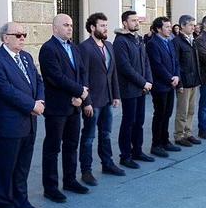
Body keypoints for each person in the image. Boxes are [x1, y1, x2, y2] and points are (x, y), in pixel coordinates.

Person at [0, 22, 45, 208]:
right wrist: (31, 105)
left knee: (22, 167)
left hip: (29, 122)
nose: (22, 38)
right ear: (5, 38)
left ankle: (21, 202)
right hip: (8, 124)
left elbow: (38, 81)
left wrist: (40, 101)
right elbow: (5, 90)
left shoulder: (26, 57)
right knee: (5, 169)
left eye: (24, 34)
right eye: (17, 34)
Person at [39, 14, 90, 203]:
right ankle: (50, 187)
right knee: (52, 148)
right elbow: (55, 77)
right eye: (66, 25)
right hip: (57, 107)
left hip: (74, 106)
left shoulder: (74, 48)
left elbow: (82, 72)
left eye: (71, 25)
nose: (70, 28)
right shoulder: (48, 49)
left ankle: (70, 180)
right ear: (55, 28)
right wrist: (78, 92)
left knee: (71, 145)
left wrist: (81, 95)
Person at [78, 13, 125, 187]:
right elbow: (83, 77)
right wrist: (86, 101)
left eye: (106, 25)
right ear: (92, 27)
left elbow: (112, 73)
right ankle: (86, 170)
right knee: (89, 136)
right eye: (102, 25)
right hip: (93, 101)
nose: (106, 28)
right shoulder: (84, 48)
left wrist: (116, 95)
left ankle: (108, 163)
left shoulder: (109, 46)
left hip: (107, 99)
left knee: (106, 134)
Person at [114, 11, 154, 169]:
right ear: (124, 23)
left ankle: (137, 150)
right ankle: (125, 155)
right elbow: (125, 67)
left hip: (142, 88)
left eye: (138, 20)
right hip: (129, 89)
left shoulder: (138, 39)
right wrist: (143, 82)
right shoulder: (120, 41)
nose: (137, 23)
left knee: (140, 121)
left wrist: (149, 80)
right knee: (128, 122)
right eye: (133, 20)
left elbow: (145, 61)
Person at [146, 16, 181, 157]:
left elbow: (176, 61)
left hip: (171, 84)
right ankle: (156, 144)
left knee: (167, 114)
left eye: (170, 26)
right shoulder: (152, 44)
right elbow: (156, 65)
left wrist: (177, 76)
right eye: (166, 27)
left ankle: (165, 140)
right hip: (160, 85)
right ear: (158, 29)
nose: (169, 29)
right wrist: (169, 78)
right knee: (159, 114)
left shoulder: (170, 41)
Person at [172, 15, 202, 147]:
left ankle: (188, 133)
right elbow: (176, 63)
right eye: (190, 25)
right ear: (182, 26)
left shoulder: (193, 40)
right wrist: (180, 84)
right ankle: (179, 135)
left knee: (191, 110)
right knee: (182, 110)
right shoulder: (177, 41)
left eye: (194, 25)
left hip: (194, 80)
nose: (193, 27)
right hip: (184, 81)